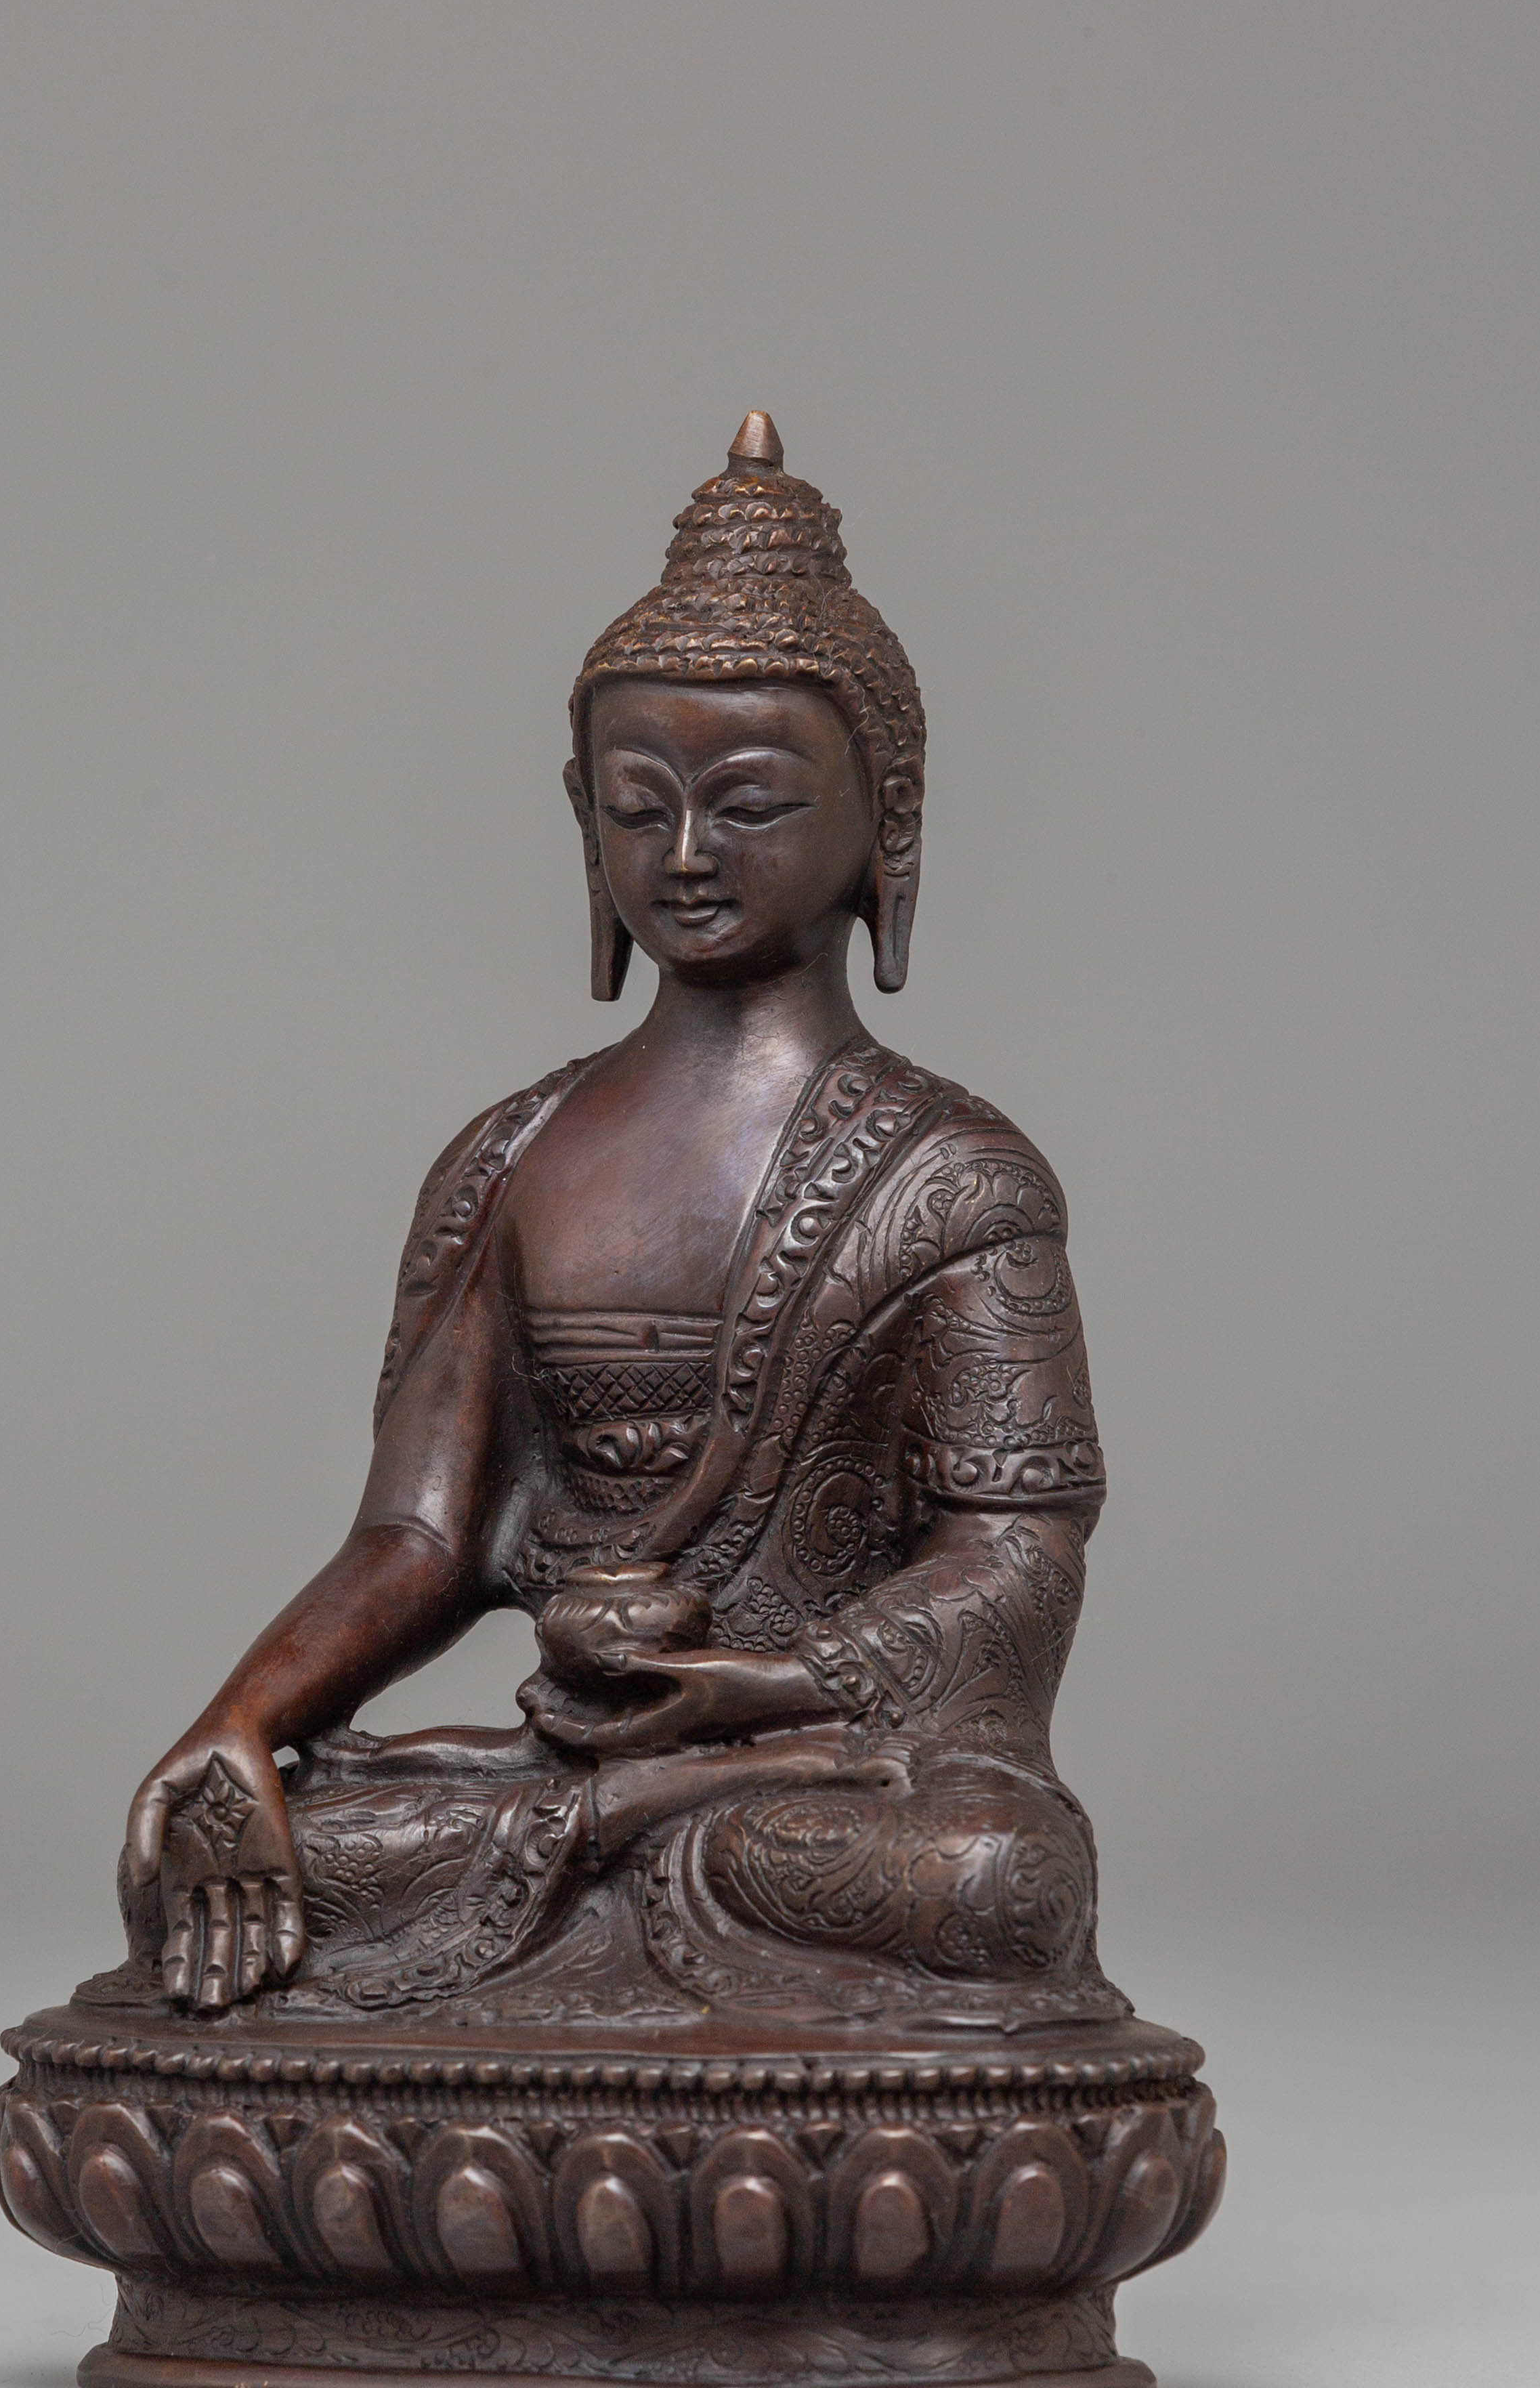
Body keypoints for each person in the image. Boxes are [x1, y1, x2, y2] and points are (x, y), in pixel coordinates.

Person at [108, 415, 1120, 2032]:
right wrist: (237, 1718)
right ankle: (600, 1858)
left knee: (998, 1879)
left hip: (820, 1763)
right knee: (232, 1847)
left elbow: (1015, 1552)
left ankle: (625, 1860)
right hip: (563, 1758)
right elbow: (418, 1541)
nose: (689, 853)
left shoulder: (957, 1177)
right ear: (582, 818)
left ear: (884, 819)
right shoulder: (508, 1158)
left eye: (750, 802)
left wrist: (761, 1683)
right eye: (639, 807)